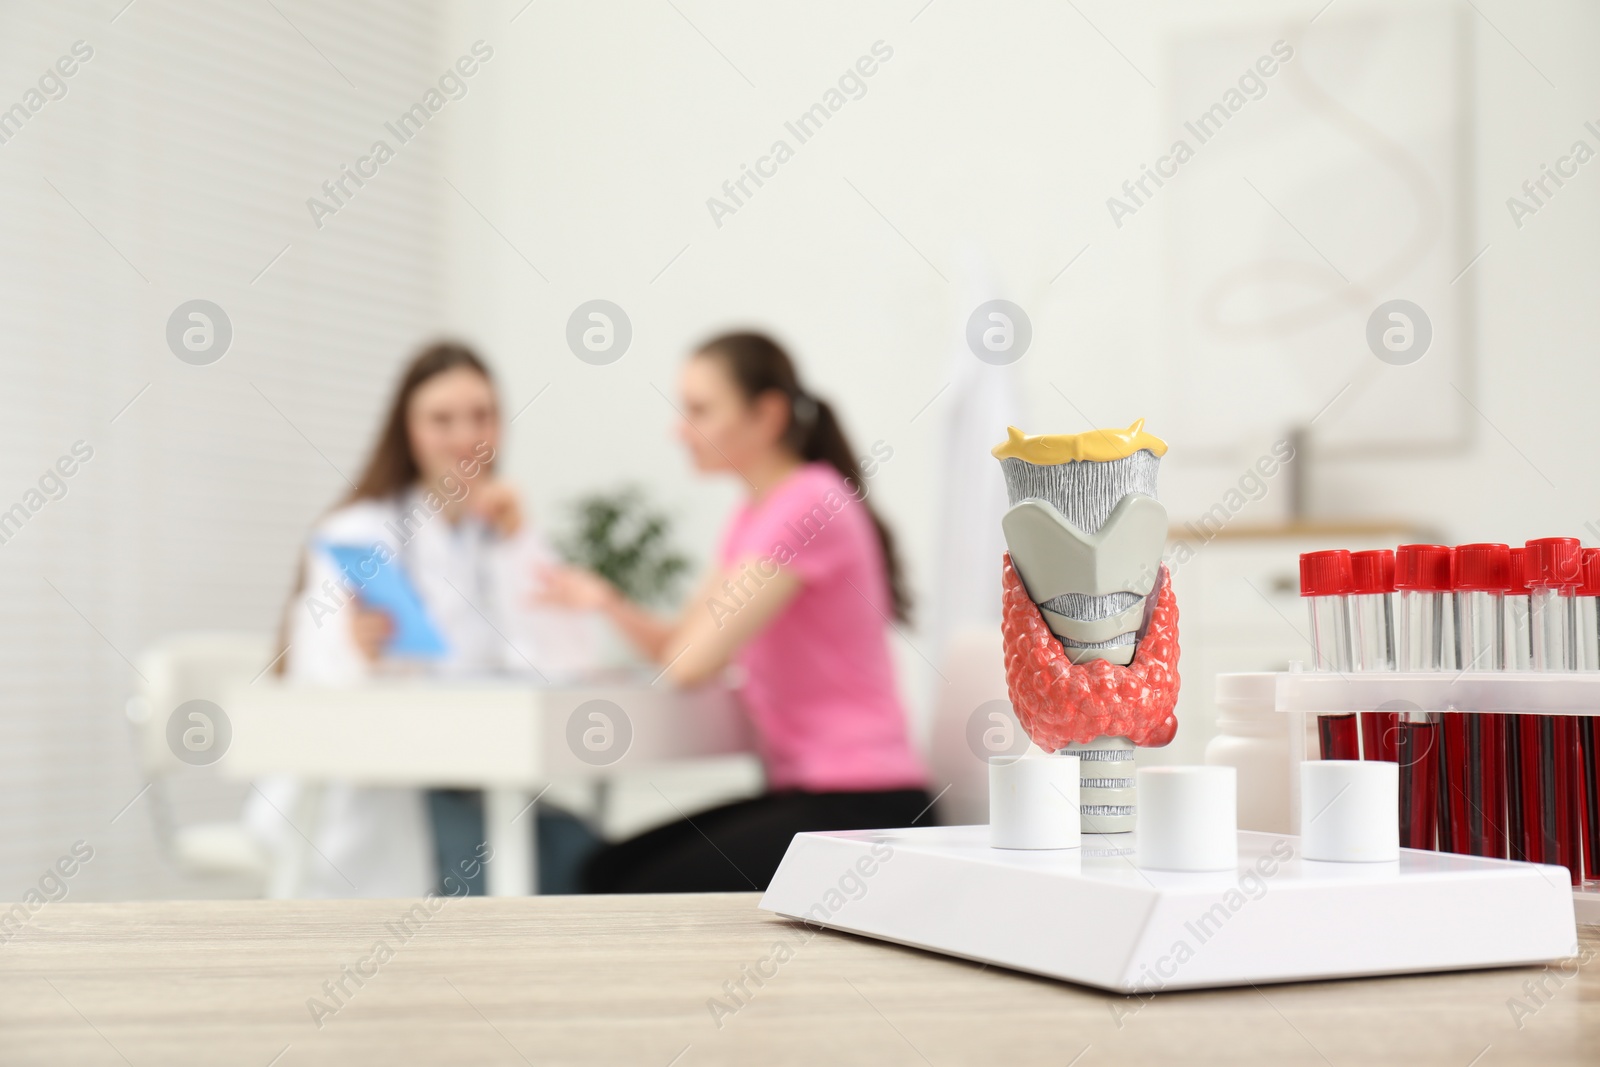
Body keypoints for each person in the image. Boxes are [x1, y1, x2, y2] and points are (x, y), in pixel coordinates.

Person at [540, 331, 931, 892]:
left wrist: (665, 638)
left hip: (865, 805)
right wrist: (606, 602)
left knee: (624, 887)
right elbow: (682, 643)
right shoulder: (755, 513)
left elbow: (691, 662)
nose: (681, 429)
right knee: (604, 869)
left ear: (766, 415)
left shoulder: (808, 504)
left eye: (699, 410)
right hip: (811, 795)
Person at [247, 341, 600, 898]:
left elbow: (566, 663)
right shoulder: (357, 532)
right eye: (442, 419)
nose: (466, 436)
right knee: (524, 878)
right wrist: (355, 649)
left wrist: (516, 548)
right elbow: (309, 675)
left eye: (481, 416)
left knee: (582, 857)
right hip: (383, 796)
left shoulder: (503, 532)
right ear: (406, 430)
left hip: (477, 778)